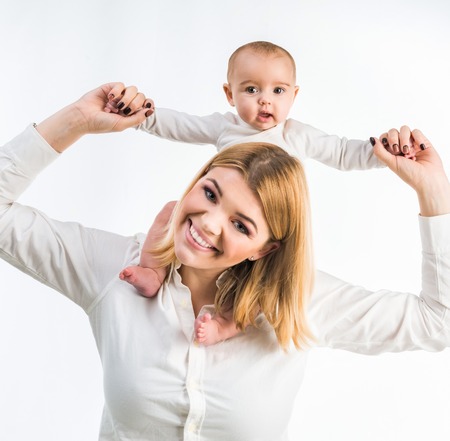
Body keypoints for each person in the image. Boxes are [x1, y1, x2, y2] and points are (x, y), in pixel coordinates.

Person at [1, 83, 449, 441]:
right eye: (210, 193)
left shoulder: (300, 300)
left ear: (266, 248)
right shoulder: (114, 268)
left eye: (241, 225)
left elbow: (438, 322)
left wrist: (434, 193)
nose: (208, 223)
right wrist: (76, 121)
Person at [114, 40, 416, 344]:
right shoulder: (225, 127)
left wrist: (385, 153)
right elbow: (181, 125)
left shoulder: (295, 135)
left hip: (262, 237)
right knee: (170, 211)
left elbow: (341, 152)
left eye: (278, 91)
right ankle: (152, 271)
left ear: (294, 95)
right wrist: (140, 115)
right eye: (251, 90)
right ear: (229, 94)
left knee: (266, 282)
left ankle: (225, 325)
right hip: (227, 227)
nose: (265, 101)